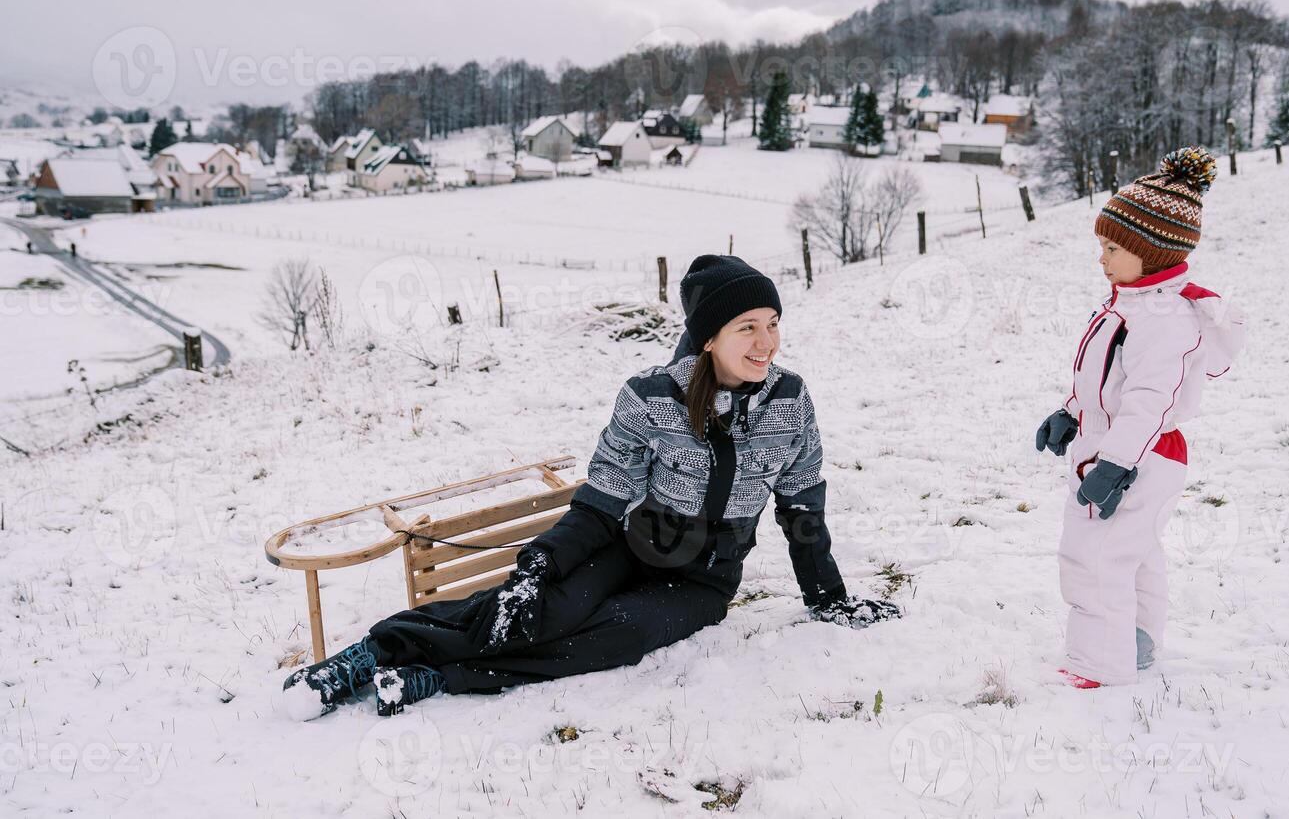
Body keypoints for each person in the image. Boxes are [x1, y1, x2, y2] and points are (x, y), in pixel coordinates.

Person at [282, 254, 899, 719]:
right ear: (709, 336)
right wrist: (536, 566)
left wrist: (828, 597)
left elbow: (801, 508)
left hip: (705, 578)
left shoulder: (790, 401)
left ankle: (441, 676)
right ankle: (376, 652)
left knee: (620, 635)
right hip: (631, 545)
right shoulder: (650, 397)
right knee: (539, 607)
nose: (767, 343)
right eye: (747, 328)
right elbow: (601, 503)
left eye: (773, 324)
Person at [1036, 147, 1246, 688]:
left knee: (1095, 556)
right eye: (1101, 245)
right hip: (1120, 449)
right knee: (1135, 550)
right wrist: (1070, 412)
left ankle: (1101, 667)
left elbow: (1151, 399)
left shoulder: (1163, 316)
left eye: (1111, 247)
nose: (1101, 258)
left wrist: (1116, 463)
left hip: (1141, 456)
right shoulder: (1129, 303)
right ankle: (1137, 644)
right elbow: (1105, 380)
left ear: (1151, 251)